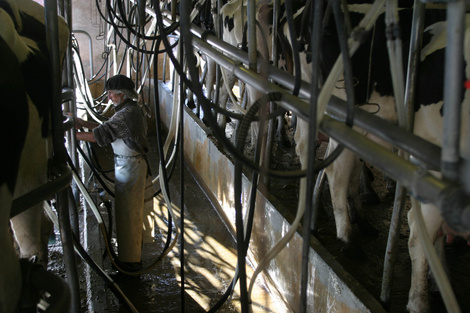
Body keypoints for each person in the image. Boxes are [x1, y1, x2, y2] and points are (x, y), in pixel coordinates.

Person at [74, 74, 150, 272]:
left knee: (129, 218)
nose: (108, 98)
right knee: (126, 216)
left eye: (110, 94)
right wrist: (83, 122)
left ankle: (130, 265)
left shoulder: (126, 114)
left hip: (131, 167)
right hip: (128, 166)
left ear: (122, 95)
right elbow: (106, 129)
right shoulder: (128, 110)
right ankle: (128, 259)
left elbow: (100, 136)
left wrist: (71, 134)